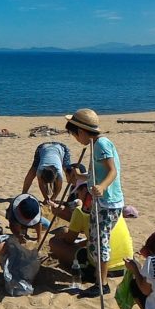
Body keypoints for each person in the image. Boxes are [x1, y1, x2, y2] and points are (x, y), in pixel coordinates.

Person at [65, 108, 125, 298]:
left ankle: (102, 284)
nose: (76, 139)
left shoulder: (101, 145)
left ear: (81, 131)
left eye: (75, 135)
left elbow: (112, 171)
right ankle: (99, 277)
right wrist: (80, 176)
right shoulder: (96, 144)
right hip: (104, 201)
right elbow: (95, 174)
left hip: (107, 203)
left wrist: (103, 186)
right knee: (96, 240)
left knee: (100, 243)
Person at [47, 181, 133, 277]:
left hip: (101, 269)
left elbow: (69, 240)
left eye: (78, 193)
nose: (78, 196)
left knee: (54, 242)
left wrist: (62, 238)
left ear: (85, 190)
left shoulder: (80, 211)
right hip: (127, 265)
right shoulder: (112, 205)